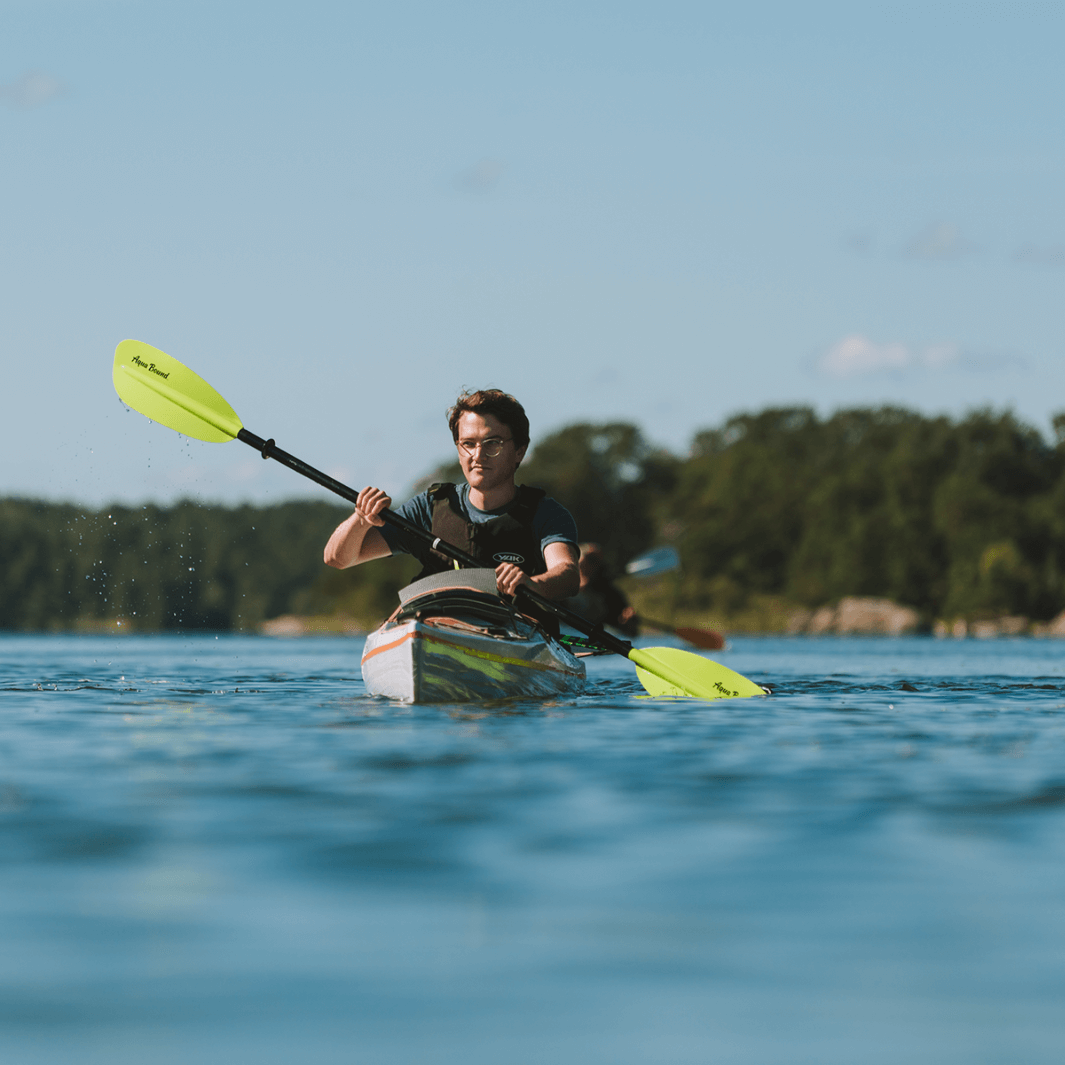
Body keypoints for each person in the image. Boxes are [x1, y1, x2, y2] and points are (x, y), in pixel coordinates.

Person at [323, 388, 580, 611]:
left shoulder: (546, 514)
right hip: (436, 625)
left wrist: (533, 584)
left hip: (515, 632)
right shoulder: (427, 509)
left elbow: (567, 575)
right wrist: (360, 519)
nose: (478, 455)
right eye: (468, 443)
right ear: (459, 450)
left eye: (493, 443)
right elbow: (338, 559)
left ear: (519, 451)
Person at [567, 542, 639, 637]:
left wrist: (628, 622)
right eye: (590, 559)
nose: (593, 564)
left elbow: (630, 633)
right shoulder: (562, 586)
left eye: (596, 561)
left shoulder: (611, 595)